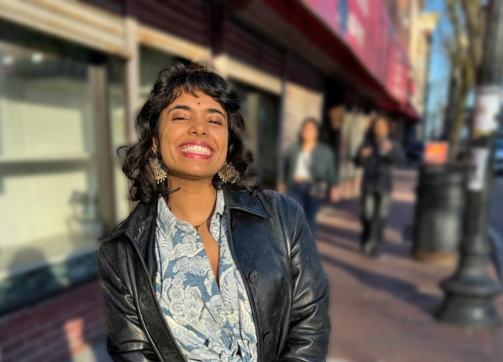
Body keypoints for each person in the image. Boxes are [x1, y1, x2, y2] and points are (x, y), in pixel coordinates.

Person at [96, 61, 330, 362]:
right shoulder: (121, 254)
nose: (199, 129)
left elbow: (310, 327)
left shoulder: (283, 218)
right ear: (154, 141)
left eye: (215, 121)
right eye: (180, 116)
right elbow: (133, 353)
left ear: (227, 142)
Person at [354, 115, 405, 258]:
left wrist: (391, 151)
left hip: (385, 186)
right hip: (369, 185)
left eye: (383, 126)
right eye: (377, 125)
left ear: (388, 128)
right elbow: (357, 162)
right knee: (367, 215)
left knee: (381, 217)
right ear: (373, 128)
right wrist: (362, 155)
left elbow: (401, 160)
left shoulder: (393, 144)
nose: (380, 128)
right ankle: (366, 237)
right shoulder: (367, 143)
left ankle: (377, 247)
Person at [278, 118, 338, 237]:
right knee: (294, 215)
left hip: (316, 185)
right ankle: (295, 245)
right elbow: (283, 166)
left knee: (310, 216)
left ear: (316, 133)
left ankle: (309, 247)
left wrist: (334, 187)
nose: (307, 131)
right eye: (305, 128)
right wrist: (281, 182)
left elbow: (331, 169)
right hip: (295, 185)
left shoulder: (325, 151)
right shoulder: (293, 148)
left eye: (310, 129)